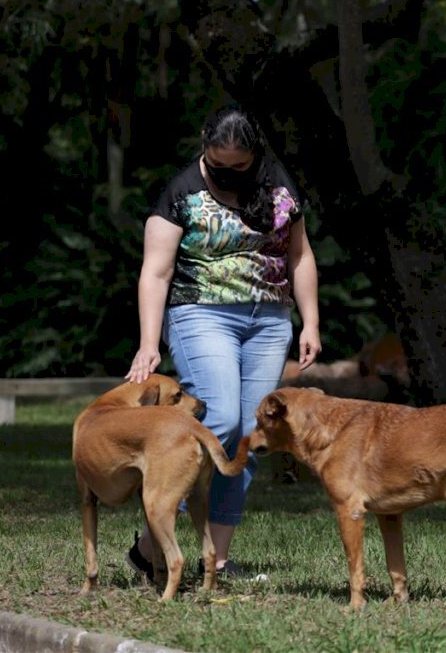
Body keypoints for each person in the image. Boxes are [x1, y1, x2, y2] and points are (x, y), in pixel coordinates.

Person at [124, 102, 321, 581]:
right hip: (201, 315)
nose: (229, 173)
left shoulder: (279, 187)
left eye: (240, 166)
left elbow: (300, 256)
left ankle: (216, 560)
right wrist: (149, 342)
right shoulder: (181, 192)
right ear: (204, 147)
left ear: (255, 154)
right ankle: (155, 540)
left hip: (270, 320)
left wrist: (310, 322)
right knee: (221, 419)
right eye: (219, 164)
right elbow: (156, 271)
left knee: (250, 438)